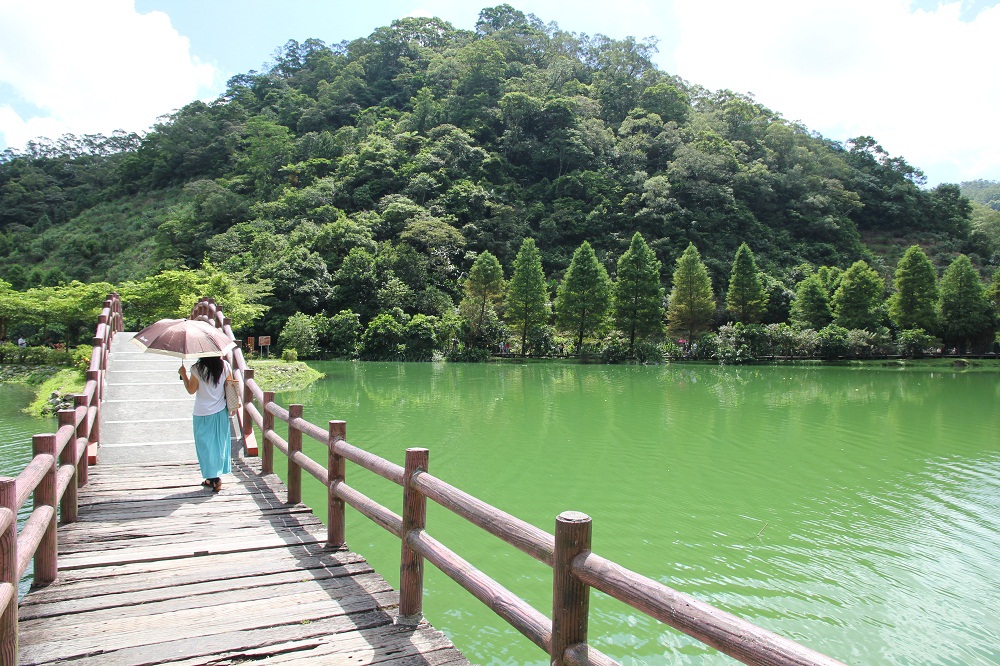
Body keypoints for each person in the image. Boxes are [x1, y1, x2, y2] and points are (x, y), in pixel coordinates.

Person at [178, 355, 235, 492]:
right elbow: (231, 386)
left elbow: (191, 390)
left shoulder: (197, 368)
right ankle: (214, 477)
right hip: (221, 411)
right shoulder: (225, 366)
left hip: (202, 413)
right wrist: (232, 406)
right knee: (219, 444)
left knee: (205, 447)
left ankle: (214, 478)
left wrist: (183, 375)